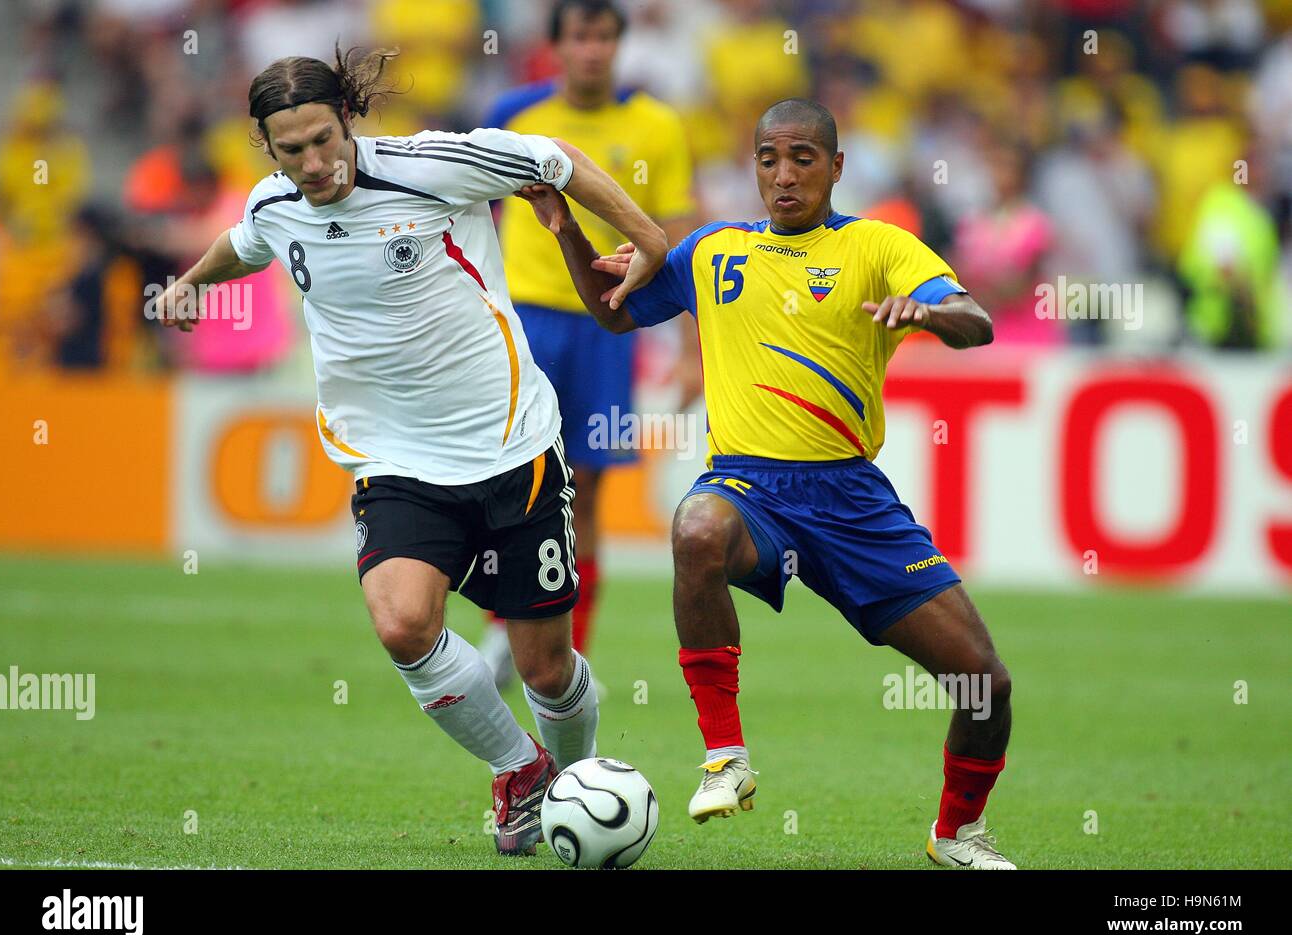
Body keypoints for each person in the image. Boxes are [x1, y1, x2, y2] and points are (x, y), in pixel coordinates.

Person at [152, 44, 668, 856]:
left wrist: (649, 241)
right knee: (401, 624)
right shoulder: (276, 204)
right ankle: (521, 772)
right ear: (268, 147)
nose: (315, 163)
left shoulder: (433, 166)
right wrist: (189, 282)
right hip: (395, 464)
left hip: (513, 449)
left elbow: (559, 157)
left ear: (348, 119)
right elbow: (244, 242)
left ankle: (578, 784)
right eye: (293, 150)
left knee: (547, 670)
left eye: (325, 139)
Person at [515, 98, 1017, 869]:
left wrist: (927, 312)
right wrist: (569, 230)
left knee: (985, 684)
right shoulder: (712, 250)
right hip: (749, 488)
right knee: (697, 529)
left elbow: (975, 318)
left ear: (836, 168)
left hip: (851, 500)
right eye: (767, 159)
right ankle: (726, 755)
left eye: (803, 159)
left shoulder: (878, 245)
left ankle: (957, 834)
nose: (783, 176)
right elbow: (616, 313)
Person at [480, 0, 699, 684]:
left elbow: (682, 238)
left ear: (620, 43)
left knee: (587, 490)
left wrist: (694, 351)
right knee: (512, 481)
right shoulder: (513, 116)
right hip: (525, 322)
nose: (594, 50)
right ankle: (502, 634)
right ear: (558, 46)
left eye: (605, 37)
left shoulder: (656, 125)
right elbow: (464, 216)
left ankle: (573, 655)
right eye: (581, 37)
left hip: (606, 321)